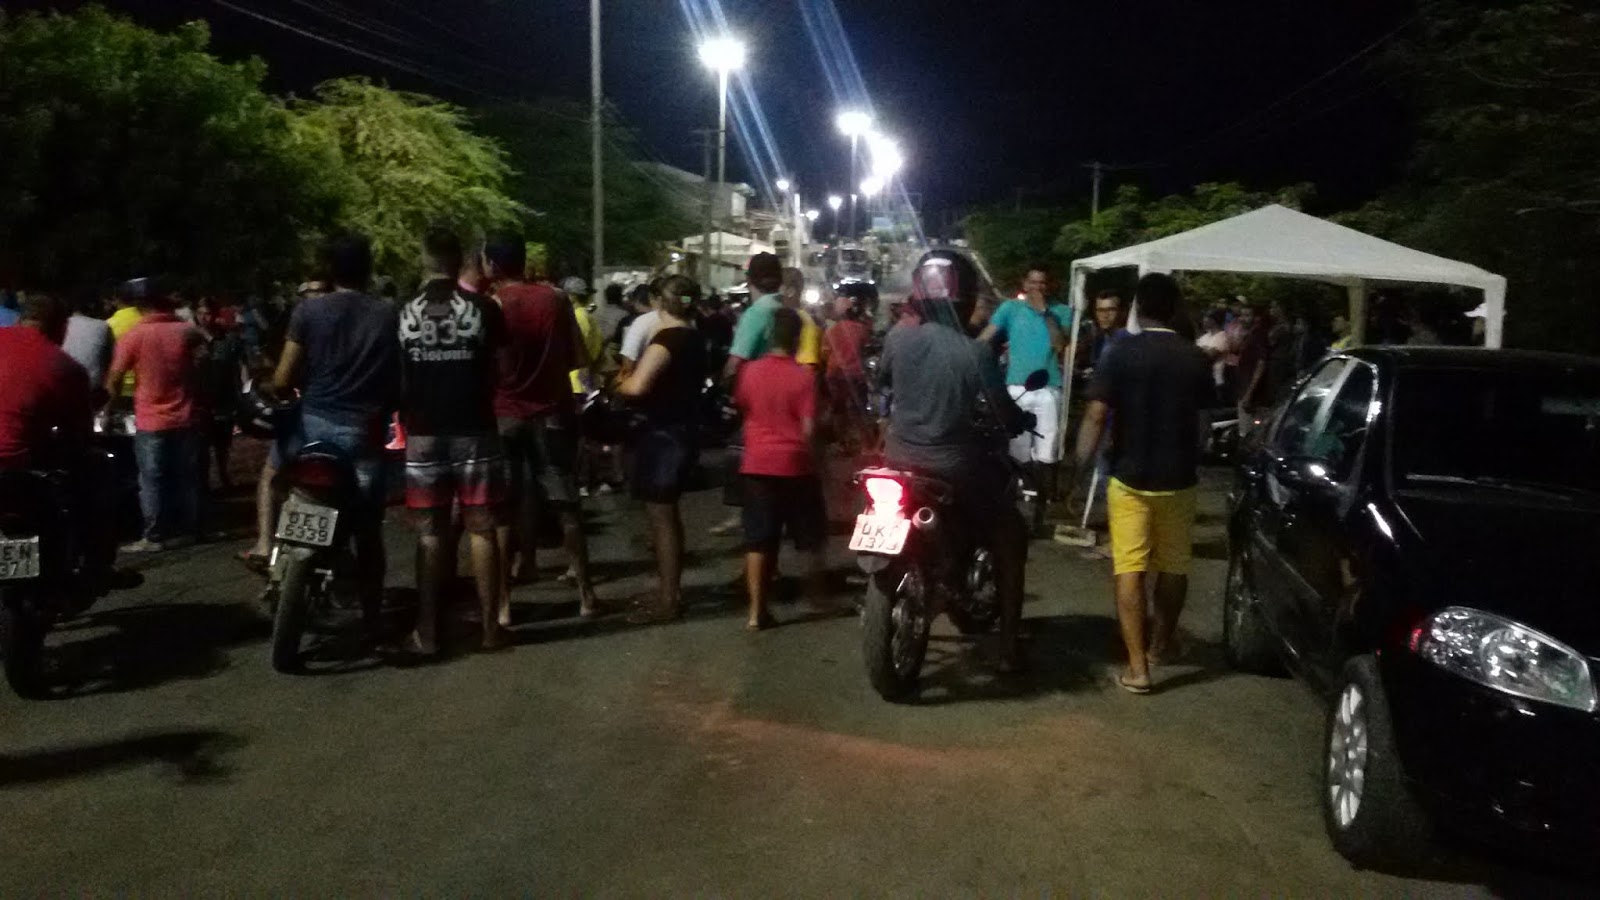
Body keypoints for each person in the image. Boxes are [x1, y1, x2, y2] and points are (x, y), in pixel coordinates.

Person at [880, 250, 1031, 671]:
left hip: (897, 460)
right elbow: (1002, 414)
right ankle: (1008, 647)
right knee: (1010, 534)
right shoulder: (974, 353)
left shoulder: (896, 339)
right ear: (964, 300)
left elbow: (884, 383)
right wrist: (1019, 420)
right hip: (954, 469)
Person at [253, 233, 399, 640]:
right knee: (368, 531)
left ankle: (268, 550)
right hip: (363, 436)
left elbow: (283, 378)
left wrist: (276, 388)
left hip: (310, 430)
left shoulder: (308, 311)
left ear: (330, 271)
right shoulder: (388, 315)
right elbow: (397, 379)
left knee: (274, 477)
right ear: (368, 270)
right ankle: (372, 615)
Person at [1073, 273, 1213, 695]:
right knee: (1173, 567)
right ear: (1174, 308)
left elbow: (1096, 415)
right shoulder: (1194, 357)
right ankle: (1158, 647)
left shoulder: (1120, 352)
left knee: (1129, 568)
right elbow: (1204, 423)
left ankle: (1137, 669)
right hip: (1179, 479)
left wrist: (1079, 467)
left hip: (1129, 477)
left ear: (1137, 307)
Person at [400, 228, 510, 656]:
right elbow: (502, 368)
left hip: (423, 432)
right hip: (475, 428)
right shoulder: (484, 308)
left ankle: (427, 633)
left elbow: (400, 373)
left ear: (424, 258)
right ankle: (490, 630)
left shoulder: (403, 309)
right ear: (460, 259)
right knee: (482, 527)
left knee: (430, 533)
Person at [485, 232, 598, 621]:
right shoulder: (556, 299)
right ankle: (586, 594)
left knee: (503, 512)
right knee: (567, 506)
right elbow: (579, 358)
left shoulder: (493, 305)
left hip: (505, 415)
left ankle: (502, 604)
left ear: (492, 265)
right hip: (552, 413)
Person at [0, 293, 119, 587]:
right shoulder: (66, 368)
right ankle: (96, 565)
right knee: (96, 477)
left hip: (19, 469)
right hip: (21, 467)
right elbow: (78, 433)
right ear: (61, 327)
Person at [618, 275, 709, 621]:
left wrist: (618, 383)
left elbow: (637, 387)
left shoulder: (666, 340)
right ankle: (669, 591)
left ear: (659, 302)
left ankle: (669, 599)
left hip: (662, 436)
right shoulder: (695, 338)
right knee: (668, 515)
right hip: (684, 430)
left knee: (662, 518)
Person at [734, 307, 825, 630]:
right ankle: (816, 598)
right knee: (809, 537)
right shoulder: (804, 377)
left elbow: (743, 407)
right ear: (798, 338)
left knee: (758, 539)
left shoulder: (750, 372)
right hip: (796, 464)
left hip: (757, 463)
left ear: (770, 336)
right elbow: (809, 429)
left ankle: (756, 612)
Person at [104, 282, 204, 552]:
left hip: (150, 419)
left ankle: (154, 536)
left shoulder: (134, 336)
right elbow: (205, 366)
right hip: (187, 416)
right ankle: (188, 530)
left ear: (140, 306)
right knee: (185, 476)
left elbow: (114, 378)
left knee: (151, 479)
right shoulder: (187, 332)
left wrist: (108, 410)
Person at [977, 265, 1073, 527]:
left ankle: (1042, 507)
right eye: (1033, 283)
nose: (1037, 288)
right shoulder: (1010, 308)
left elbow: (1060, 344)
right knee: (1016, 451)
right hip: (1016, 388)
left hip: (1048, 388)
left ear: (1049, 286)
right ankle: (1017, 506)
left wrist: (1045, 314)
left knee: (1047, 453)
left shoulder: (1062, 311)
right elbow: (986, 338)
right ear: (1025, 284)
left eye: (1042, 283)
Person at [710, 253, 787, 538]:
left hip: (755, 397)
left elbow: (735, 362)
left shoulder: (756, 313)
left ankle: (744, 516)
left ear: (749, 280)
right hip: (785, 394)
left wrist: (723, 390)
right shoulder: (785, 309)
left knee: (740, 455)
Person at [194, 296, 247, 492]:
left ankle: (223, 475)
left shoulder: (229, 340)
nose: (204, 318)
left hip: (224, 398)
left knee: (223, 443)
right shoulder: (191, 339)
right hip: (200, 400)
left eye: (208, 313)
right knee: (201, 445)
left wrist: (244, 392)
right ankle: (203, 482)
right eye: (201, 313)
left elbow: (240, 367)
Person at [824, 291, 872, 452]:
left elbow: (825, 352)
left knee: (839, 410)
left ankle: (842, 443)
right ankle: (866, 445)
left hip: (835, 375)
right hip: (856, 374)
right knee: (859, 410)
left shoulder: (831, 331)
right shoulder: (861, 329)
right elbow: (866, 348)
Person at [62, 294, 114, 390]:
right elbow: (110, 359)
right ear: (93, 306)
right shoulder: (102, 327)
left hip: (63, 383)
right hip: (92, 386)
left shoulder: (62, 324)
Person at [780, 268, 823, 368]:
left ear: (790, 291)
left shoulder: (804, 321)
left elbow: (807, 367)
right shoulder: (784, 316)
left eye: (778, 289)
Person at [1194, 310, 1231, 406]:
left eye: (1206, 317)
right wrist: (1204, 350)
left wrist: (1201, 350)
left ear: (1213, 320)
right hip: (1203, 379)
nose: (1203, 320)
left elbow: (1210, 356)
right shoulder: (1203, 337)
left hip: (1216, 381)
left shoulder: (1222, 337)